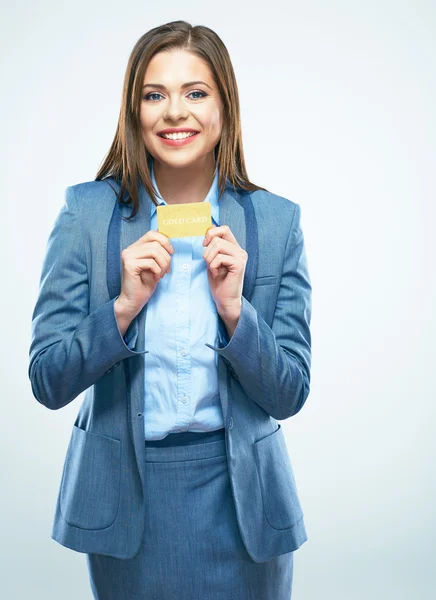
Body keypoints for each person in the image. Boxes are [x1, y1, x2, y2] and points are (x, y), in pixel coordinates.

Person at [28, 20, 312, 600]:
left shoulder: (277, 222)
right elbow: (48, 379)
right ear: (134, 111)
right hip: (127, 505)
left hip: (244, 505)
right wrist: (123, 307)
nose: (173, 112)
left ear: (225, 106)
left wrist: (237, 313)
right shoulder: (86, 214)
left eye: (196, 92)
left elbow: (290, 392)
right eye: (154, 95)